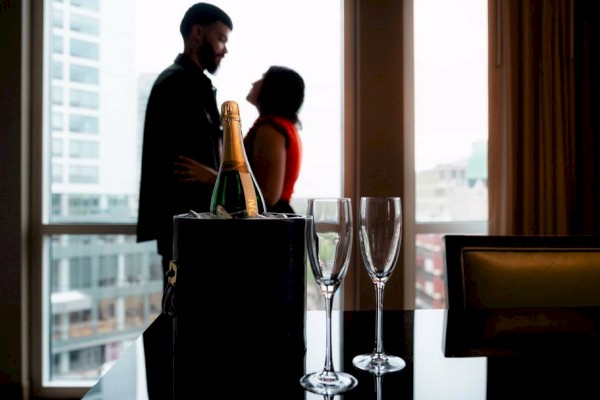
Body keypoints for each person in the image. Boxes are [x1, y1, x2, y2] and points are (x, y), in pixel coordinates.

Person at [136, 3, 232, 287]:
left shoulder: (192, 84)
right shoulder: (175, 84)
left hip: (194, 225)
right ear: (198, 32)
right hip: (186, 227)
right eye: (221, 38)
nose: (224, 49)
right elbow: (176, 165)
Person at [244, 66, 305, 214]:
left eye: (263, 78)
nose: (254, 82)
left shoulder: (270, 129)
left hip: (271, 224)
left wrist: (212, 179)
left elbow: (268, 196)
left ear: (273, 89)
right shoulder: (285, 127)